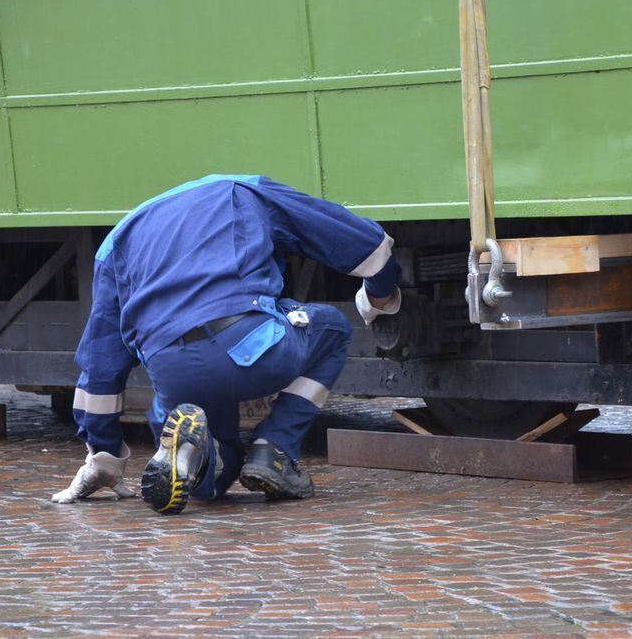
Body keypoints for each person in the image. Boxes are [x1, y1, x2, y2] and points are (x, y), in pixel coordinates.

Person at [51, 174, 401, 514]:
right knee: (333, 330)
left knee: (214, 480)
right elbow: (365, 244)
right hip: (250, 343)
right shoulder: (246, 191)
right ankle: (274, 450)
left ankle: (193, 456)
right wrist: (378, 297)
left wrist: (104, 458)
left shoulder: (119, 239)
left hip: (171, 368)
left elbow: (100, 368)